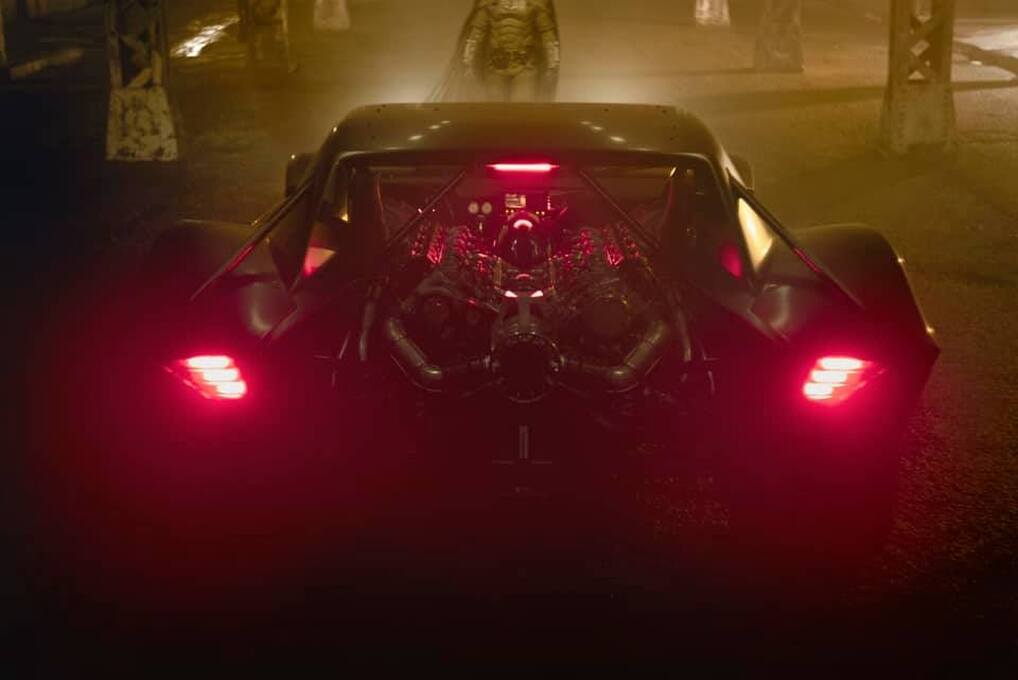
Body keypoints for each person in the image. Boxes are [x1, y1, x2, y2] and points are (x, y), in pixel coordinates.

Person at [431, 0, 560, 103]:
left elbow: (548, 37)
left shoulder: (535, 4)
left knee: (522, 111)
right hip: (496, 66)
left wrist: (553, 64)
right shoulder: (488, 4)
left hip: (525, 66)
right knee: (495, 110)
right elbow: (474, 36)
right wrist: (468, 62)